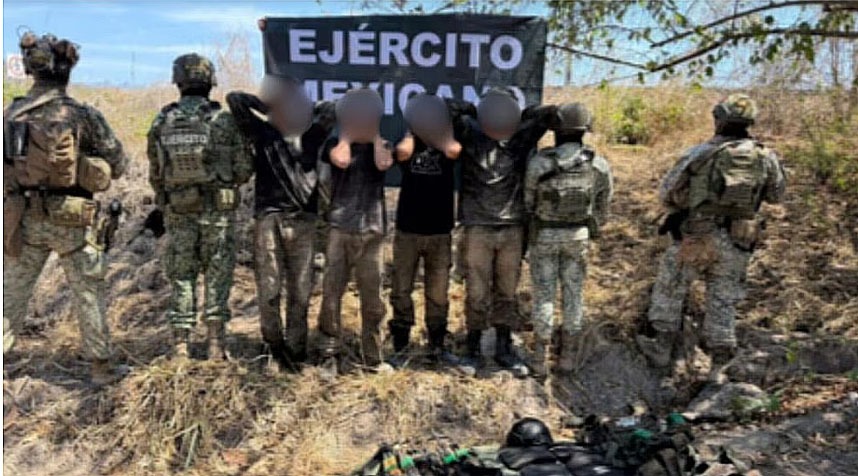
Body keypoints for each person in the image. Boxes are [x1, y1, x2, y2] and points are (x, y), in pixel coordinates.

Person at [3, 32, 128, 385]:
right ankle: (101, 368)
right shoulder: (81, 115)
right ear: (67, 71)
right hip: (72, 219)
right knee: (89, 292)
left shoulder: (10, 114)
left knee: (11, 296)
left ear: (31, 70)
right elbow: (118, 164)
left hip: (24, 219)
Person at [637, 94, 786, 373]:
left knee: (671, 287)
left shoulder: (701, 153)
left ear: (719, 120)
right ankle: (718, 368)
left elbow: (667, 193)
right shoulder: (766, 157)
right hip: (739, 239)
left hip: (698, 235)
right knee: (724, 300)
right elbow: (776, 195)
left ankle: (661, 348)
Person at [147, 53, 252, 360]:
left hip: (179, 210)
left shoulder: (162, 120)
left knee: (181, 276)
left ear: (178, 81)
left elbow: (156, 172)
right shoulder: (224, 121)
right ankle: (216, 344)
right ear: (210, 82)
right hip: (217, 212)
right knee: (218, 275)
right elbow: (244, 169)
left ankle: (180, 345)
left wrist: (167, 199)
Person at [226, 75, 335, 369]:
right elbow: (235, 100)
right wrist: (269, 106)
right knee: (269, 288)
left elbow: (333, 109)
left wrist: (302, 107)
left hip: (304, 221)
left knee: (300, 291)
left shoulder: (313, 134)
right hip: (269, 219)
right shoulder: (263, 132)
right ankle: (273, 347)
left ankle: (296, 350)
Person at [452, 88, 558, 376]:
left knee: (507, 291)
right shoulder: (471, 134)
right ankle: (472, 347)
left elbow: (550, 114)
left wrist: (520, 115)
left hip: (512, 226)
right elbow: (446, 109)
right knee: (476, 291)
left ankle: (503, 346)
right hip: (478, 226)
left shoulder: (520, 140)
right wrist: (473, 110)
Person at [524, 103, 613, 376]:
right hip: (578, 236)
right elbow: (604, 206)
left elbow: (527, 202)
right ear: (585, 130)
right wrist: (590, 227)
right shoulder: (598, 164)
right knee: (574, 294)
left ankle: (540, 358)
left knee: (544, 295)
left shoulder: (540, 163)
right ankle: (568, 357)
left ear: (555, 130)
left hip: (545, 235)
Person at [317, 88, 394, 377]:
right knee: (332, 295)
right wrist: (348, 135)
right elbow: (340, 160)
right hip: (340, 229)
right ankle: (328, 354)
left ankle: (373, 357)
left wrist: (374, 136)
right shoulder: (334, 144)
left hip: (372, 231)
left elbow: (384, 163)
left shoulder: (383, 144)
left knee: (373, 300)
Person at [387, 93, 462, 368]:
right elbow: (402, 154)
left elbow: (454, 151)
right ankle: (400, 344)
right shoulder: (409, 140)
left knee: (438, 293)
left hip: (439, 232)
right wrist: (413, 129)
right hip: (408, 230)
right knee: (401, 289)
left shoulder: (446, 140)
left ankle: (437, 345)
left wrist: (438, 129)